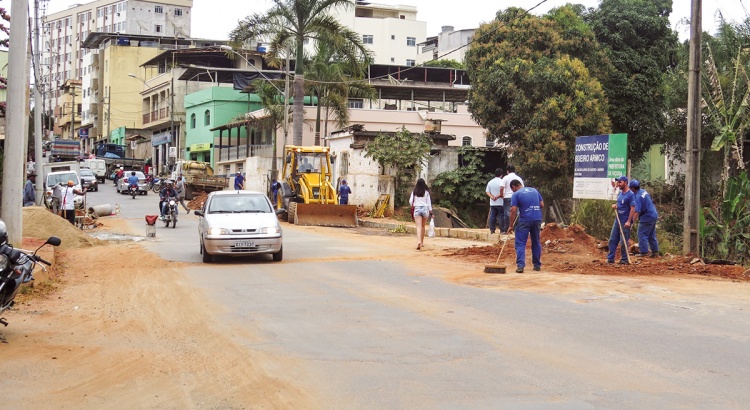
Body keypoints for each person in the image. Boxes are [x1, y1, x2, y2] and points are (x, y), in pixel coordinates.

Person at [507, 180, 544, 273]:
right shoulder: (535, 191)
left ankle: (520, 266)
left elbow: (513, 210)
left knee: (520, 243)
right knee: (536, 242)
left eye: (512, 189)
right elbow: (542, 205)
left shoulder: (516, 194)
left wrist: (510, 226)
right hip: (537, 219)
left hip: (524, 220)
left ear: (514, 187)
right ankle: (537, 265)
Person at [607, 176, 636, 264]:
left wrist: (629, 221)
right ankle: (610, 258)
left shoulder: (630, 194)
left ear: (626, 183)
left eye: (620, 182)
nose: (618, 184)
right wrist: (615, 206)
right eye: (618, 182)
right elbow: (619, 204)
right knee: (612, 239)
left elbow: (633, 208)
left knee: (623, 241)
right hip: (617, 220)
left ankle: (624, 259)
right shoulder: (620, 194)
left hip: (625, 221)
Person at [629, 180, 659, 257]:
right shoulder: (643, 191)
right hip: (653, 214)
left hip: (647, 217)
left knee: (641, 234)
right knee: (651, 234)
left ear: (632, 188)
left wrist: (631, 222)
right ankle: (655, 252)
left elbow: (637, 211)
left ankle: (644, 252)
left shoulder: (637, 197)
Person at [409, 178, 433, 250]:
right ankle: (422, 243)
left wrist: (414, 206)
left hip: (417, 209)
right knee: (423, 226)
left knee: (418, 227)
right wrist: (431, 211)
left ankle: (418, 241)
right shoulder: (426, 193)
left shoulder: (414, 192)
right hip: (425, 209)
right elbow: (429, 203)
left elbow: (410, 201)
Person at [500, 164, 524, 234]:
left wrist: (501, 195)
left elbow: (501, 187)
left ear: (507, 171)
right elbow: (522, 187)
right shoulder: (519, 178)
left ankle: (507, 229)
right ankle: (516, 229)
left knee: (507, 214)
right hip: (518, 197)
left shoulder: (505, 178)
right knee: (517, 213)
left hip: (507, 197)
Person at [485, 168, 504, 234]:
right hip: (500, 202)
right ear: (501, 175)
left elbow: (487, 191)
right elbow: (503, 191)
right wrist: (497, 196)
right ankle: (502, 230)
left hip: (493, 203)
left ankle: (492, 230)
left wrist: (492, 197)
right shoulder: (502, 182)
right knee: (501, 215)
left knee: (493, 215)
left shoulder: (490, 182)